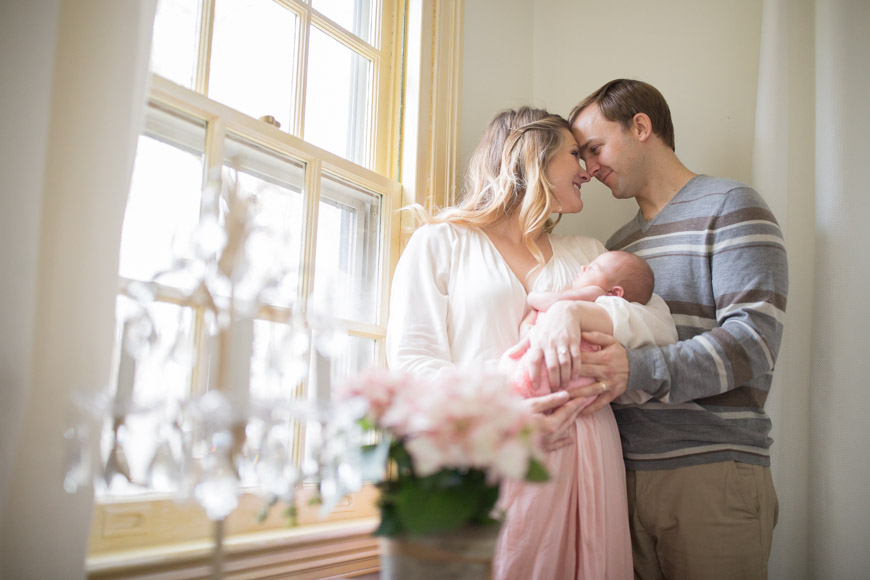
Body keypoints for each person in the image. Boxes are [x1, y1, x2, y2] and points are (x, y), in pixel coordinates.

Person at [386, 106, 675, 579]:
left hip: (587, 455)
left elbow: (659, 326)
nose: (586, 170)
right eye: (572, 155)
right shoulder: (441, 243)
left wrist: (575, 311)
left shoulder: (586, 253)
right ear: (532, 159)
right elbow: (411, 362)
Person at [564, 79, 788, 580]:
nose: (590, 167)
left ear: (641, 126)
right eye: (582, 156)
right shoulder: (617, 247)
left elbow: (753, 343)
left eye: (595, 148)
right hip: (622, 477)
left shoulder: (732, 206)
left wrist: (633, 370)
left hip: (710, 473)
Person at [504, 250, 676, 405]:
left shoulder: (596, 293)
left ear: (614, 293)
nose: (583, 267)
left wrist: (533, 297)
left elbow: (554, 303)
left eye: (594, 268)